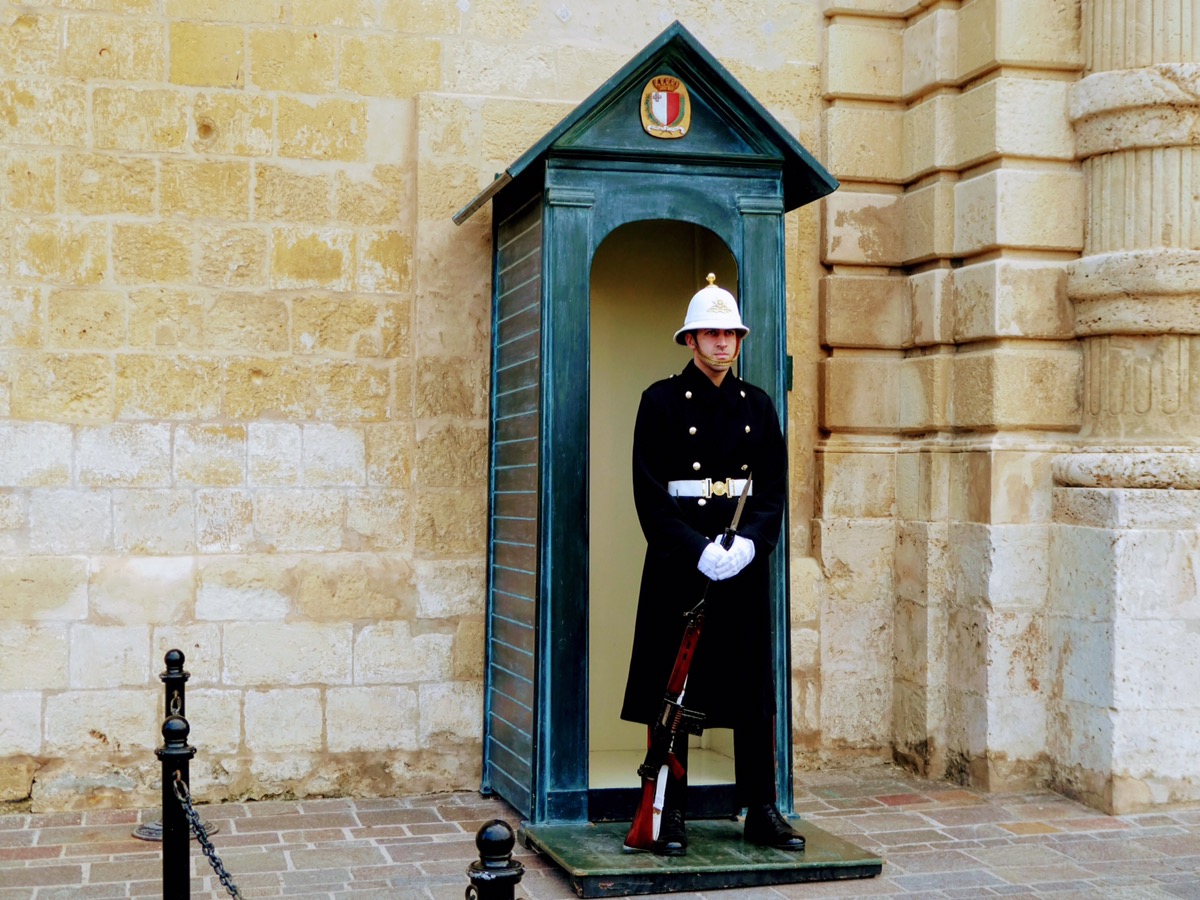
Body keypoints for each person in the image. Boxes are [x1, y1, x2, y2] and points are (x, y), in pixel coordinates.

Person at [620, 274, 805, 857]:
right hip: (683, 563)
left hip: (742, 565)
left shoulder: (758, 404)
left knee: (753, 687)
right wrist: (697, 547)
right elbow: (650, 493)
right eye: (711, 333)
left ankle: (760, 808)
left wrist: (751, 542)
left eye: (731, 333)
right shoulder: (660, 401)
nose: (723, 343)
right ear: (690, 340)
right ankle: (668, 810)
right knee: (673, 690)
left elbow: (772, 488)